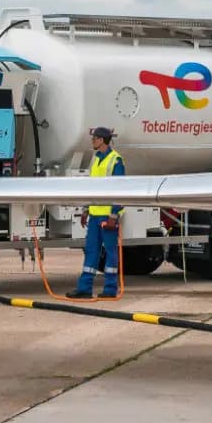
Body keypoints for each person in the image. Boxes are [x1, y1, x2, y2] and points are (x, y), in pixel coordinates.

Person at [68, 127, 125, 299]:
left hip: (107, 216)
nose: (92, 141)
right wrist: (86, 210)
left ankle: (110, 289)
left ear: (101, 140)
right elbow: (91, 188)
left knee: (110, 252)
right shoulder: (96, 159)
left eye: (94, 139)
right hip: (94, 215)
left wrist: (113, 217)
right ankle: (84, 289)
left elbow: (120, 191)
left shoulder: (116, 160)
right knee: (91, 251)